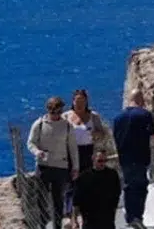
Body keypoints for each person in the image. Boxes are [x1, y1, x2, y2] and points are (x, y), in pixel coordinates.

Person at [26, 96, 80, 229]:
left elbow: (73, 148)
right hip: (43, 167)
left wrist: (75, 167)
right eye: (53, 112)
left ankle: (57, 226)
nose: (56, 115)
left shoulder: (67, 126)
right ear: (48, 110)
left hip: (60, 167)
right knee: (41, 199)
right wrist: (37, 152)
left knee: (58, 201)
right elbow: (30, 143)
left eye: (59, 112)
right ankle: (42, 225)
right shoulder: (39, 124)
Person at [112, 90, 154, 229]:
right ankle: (137, 217)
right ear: (141, 99)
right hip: (140, 157)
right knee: (141, 187)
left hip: (124, 158)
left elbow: (115, 137)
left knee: (128, 186)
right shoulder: (144, 115)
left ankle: (130, 217)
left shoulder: (118, 118)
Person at [65, 89, 113, 218]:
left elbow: (103, 134)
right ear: (73, 101)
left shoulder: (94, 116)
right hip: (72, 152)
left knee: (87, 181)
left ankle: (86, 209)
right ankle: (70, 212)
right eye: (77, 101)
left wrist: (96, 134)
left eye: (82, 101)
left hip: (89, 151)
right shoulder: (66, 117)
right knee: (72, 182)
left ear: (86, 102)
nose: (79, 104)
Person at [73, 149, 122, 229]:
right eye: (100, 161)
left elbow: (116, 195)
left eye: (105, 161)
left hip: (107, 219)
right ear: (93, 159)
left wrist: (113, 213)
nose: (102, 163)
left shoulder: (112, 175)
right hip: (89, 219)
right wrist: (75, 220)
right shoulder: (84, 177)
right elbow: (76, 200)